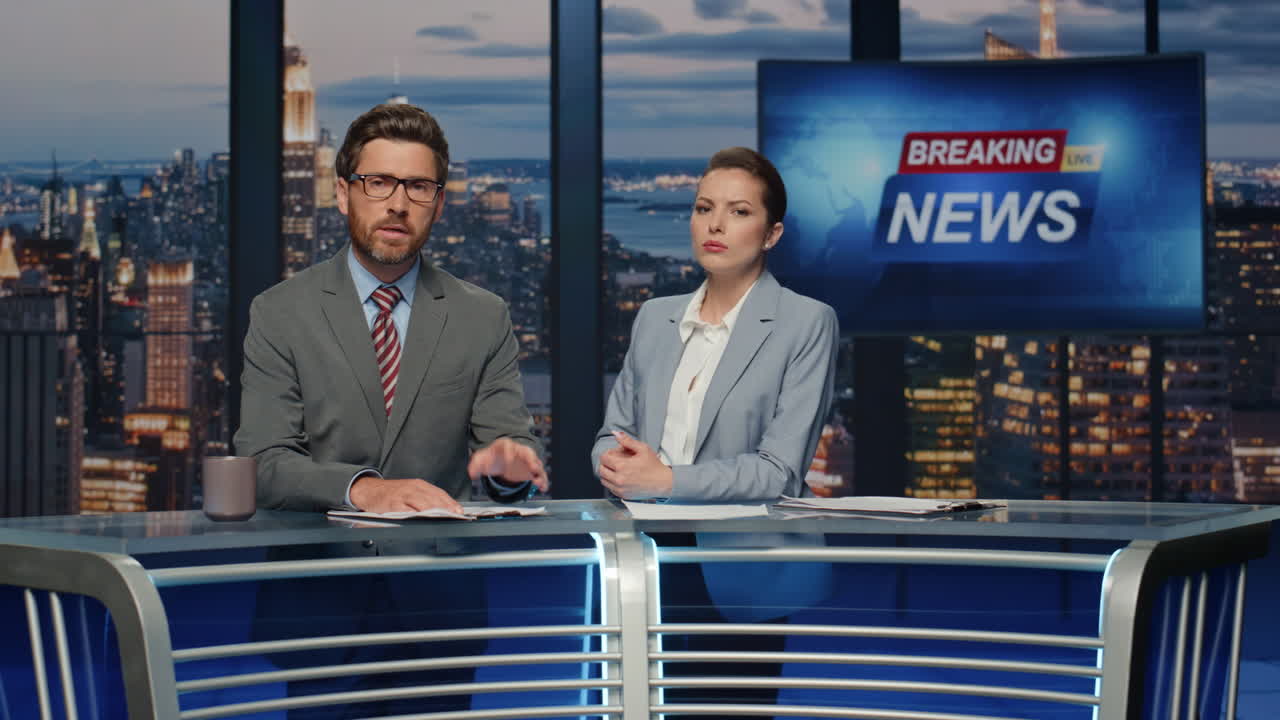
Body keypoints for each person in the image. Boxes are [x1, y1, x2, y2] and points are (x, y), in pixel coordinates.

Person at [234, 102, 547, 718]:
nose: (398, 203)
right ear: (343, 193)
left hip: (440, 617)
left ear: (439, 201)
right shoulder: (279, 313)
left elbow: (508, 449)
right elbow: (263, 463)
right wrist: (365, 489)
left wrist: (510, 470)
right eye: (379, 182)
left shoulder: (483, 316)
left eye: (418, 186)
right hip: (319, 612)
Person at [591, 146, 838, 715]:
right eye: (704, 208)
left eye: (739, 211)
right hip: (647, 562)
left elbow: (777, 472)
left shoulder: (807, 322)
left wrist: (665, 478)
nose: (717, 224)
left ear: (772, 234)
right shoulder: (655, 317)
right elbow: (611, 434)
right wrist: (615, 464)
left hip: (745, 569)